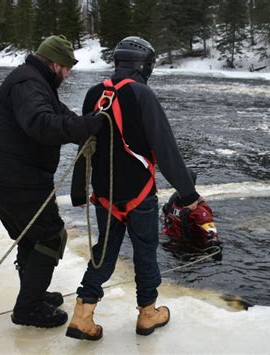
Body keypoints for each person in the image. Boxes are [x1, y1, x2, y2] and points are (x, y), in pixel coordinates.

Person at [67, 36, 201, 341]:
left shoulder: (93, 94)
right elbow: (165, 149)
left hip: (104, 195)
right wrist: (188, 194)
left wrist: (79, 191)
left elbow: (83, 145)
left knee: (104, 253)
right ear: (145, 65)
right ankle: (147, 314)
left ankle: (82, 315)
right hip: (139, 196)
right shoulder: (142, 94)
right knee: (145, 254)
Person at [0, 35, 104, 328]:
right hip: (17, 181)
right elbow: (40, 124)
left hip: (9, 178)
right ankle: (29, 308)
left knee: (31, 237)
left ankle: (32, 294)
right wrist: (85, 127)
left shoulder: (35, 81)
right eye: (67, 67)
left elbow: (60, 115)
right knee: (50, 236)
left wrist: (86, 125)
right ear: (55, 63)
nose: (69, 73)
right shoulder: (28, 84)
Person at [161, 169, 222, 255]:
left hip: (191, 249)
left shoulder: (199, 210)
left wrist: (213, 242)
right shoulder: (173, 200)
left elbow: (211, 231)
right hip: (171, 242)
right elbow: (165, 218)